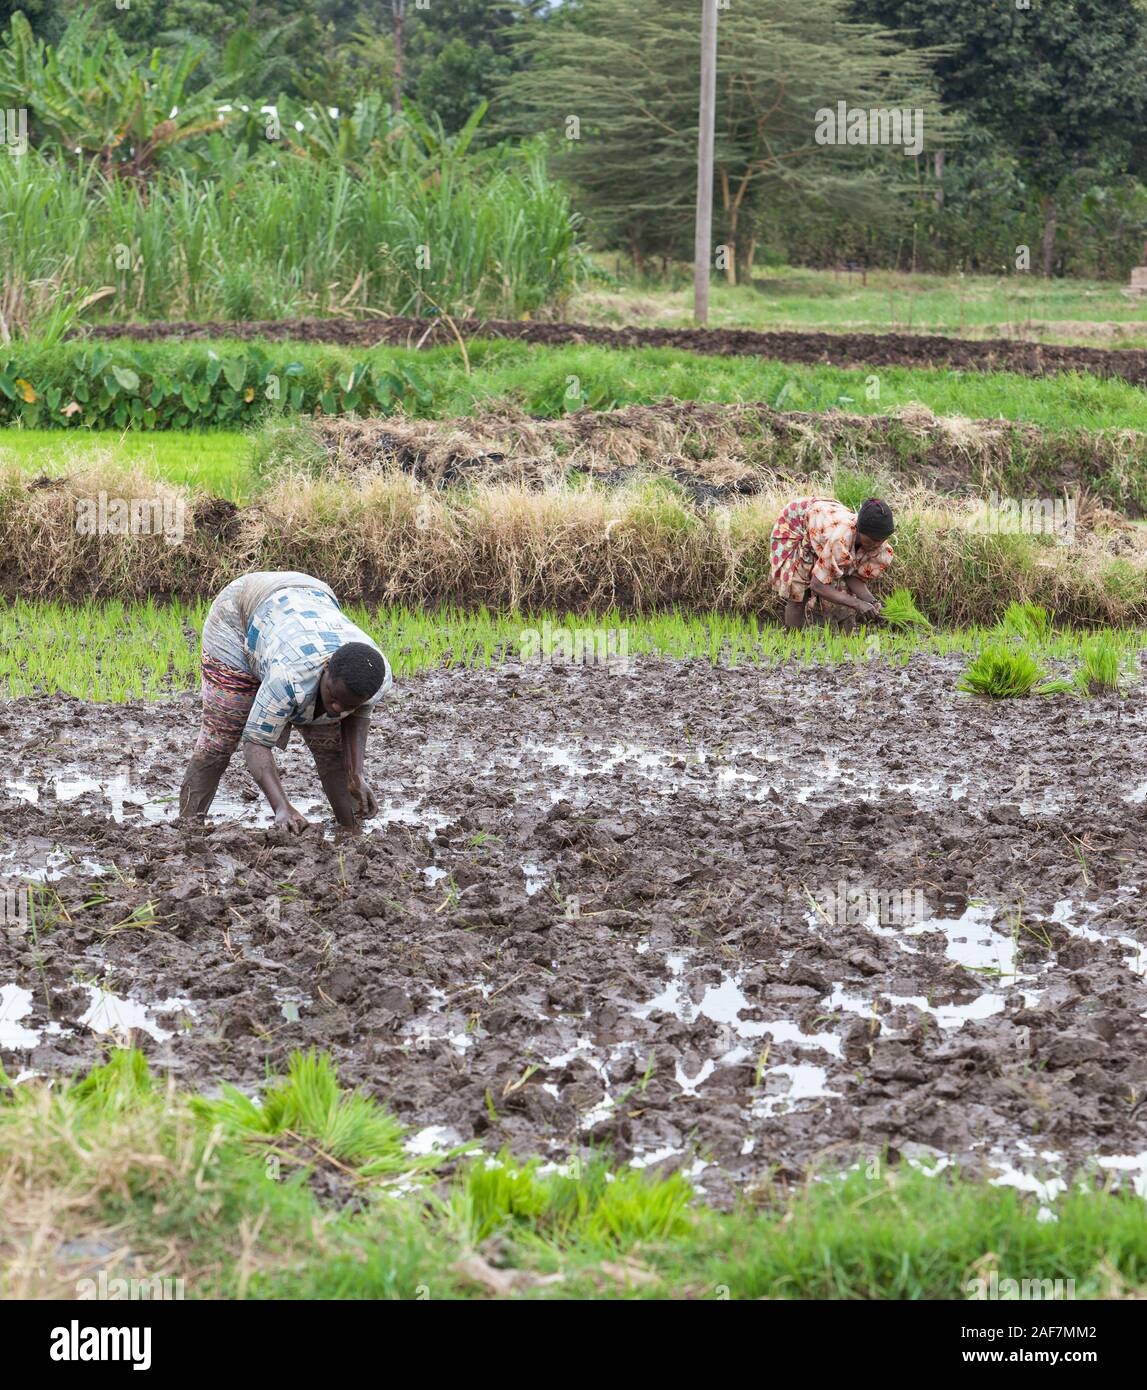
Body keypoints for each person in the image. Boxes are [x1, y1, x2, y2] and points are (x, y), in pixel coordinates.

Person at [179, 571, 391, 834]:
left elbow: (357, 717)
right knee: (220, 739)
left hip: (309, 598)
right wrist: (282, 806)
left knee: (332, 750)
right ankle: (186, 832)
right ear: (325, 668)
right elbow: (256, 742)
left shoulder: (375, 676)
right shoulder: (290, 677)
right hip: (240, 615)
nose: (338, 710)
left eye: (348, 705)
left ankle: (350, 832)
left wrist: (357, 774)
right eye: (333, 698)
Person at [769, 496, 895, 629]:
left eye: (881, 540)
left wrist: (871, 601)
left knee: (844, 594)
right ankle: (792, 642)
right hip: (797, 521)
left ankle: (844, 643)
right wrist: (857, 603)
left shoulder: (879, 546)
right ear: (859, 530)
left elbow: (851, 575)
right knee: (799, 594)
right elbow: (817, 585)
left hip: (825, 521)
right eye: (873, 540)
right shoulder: (840, 539)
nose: (877, 544)